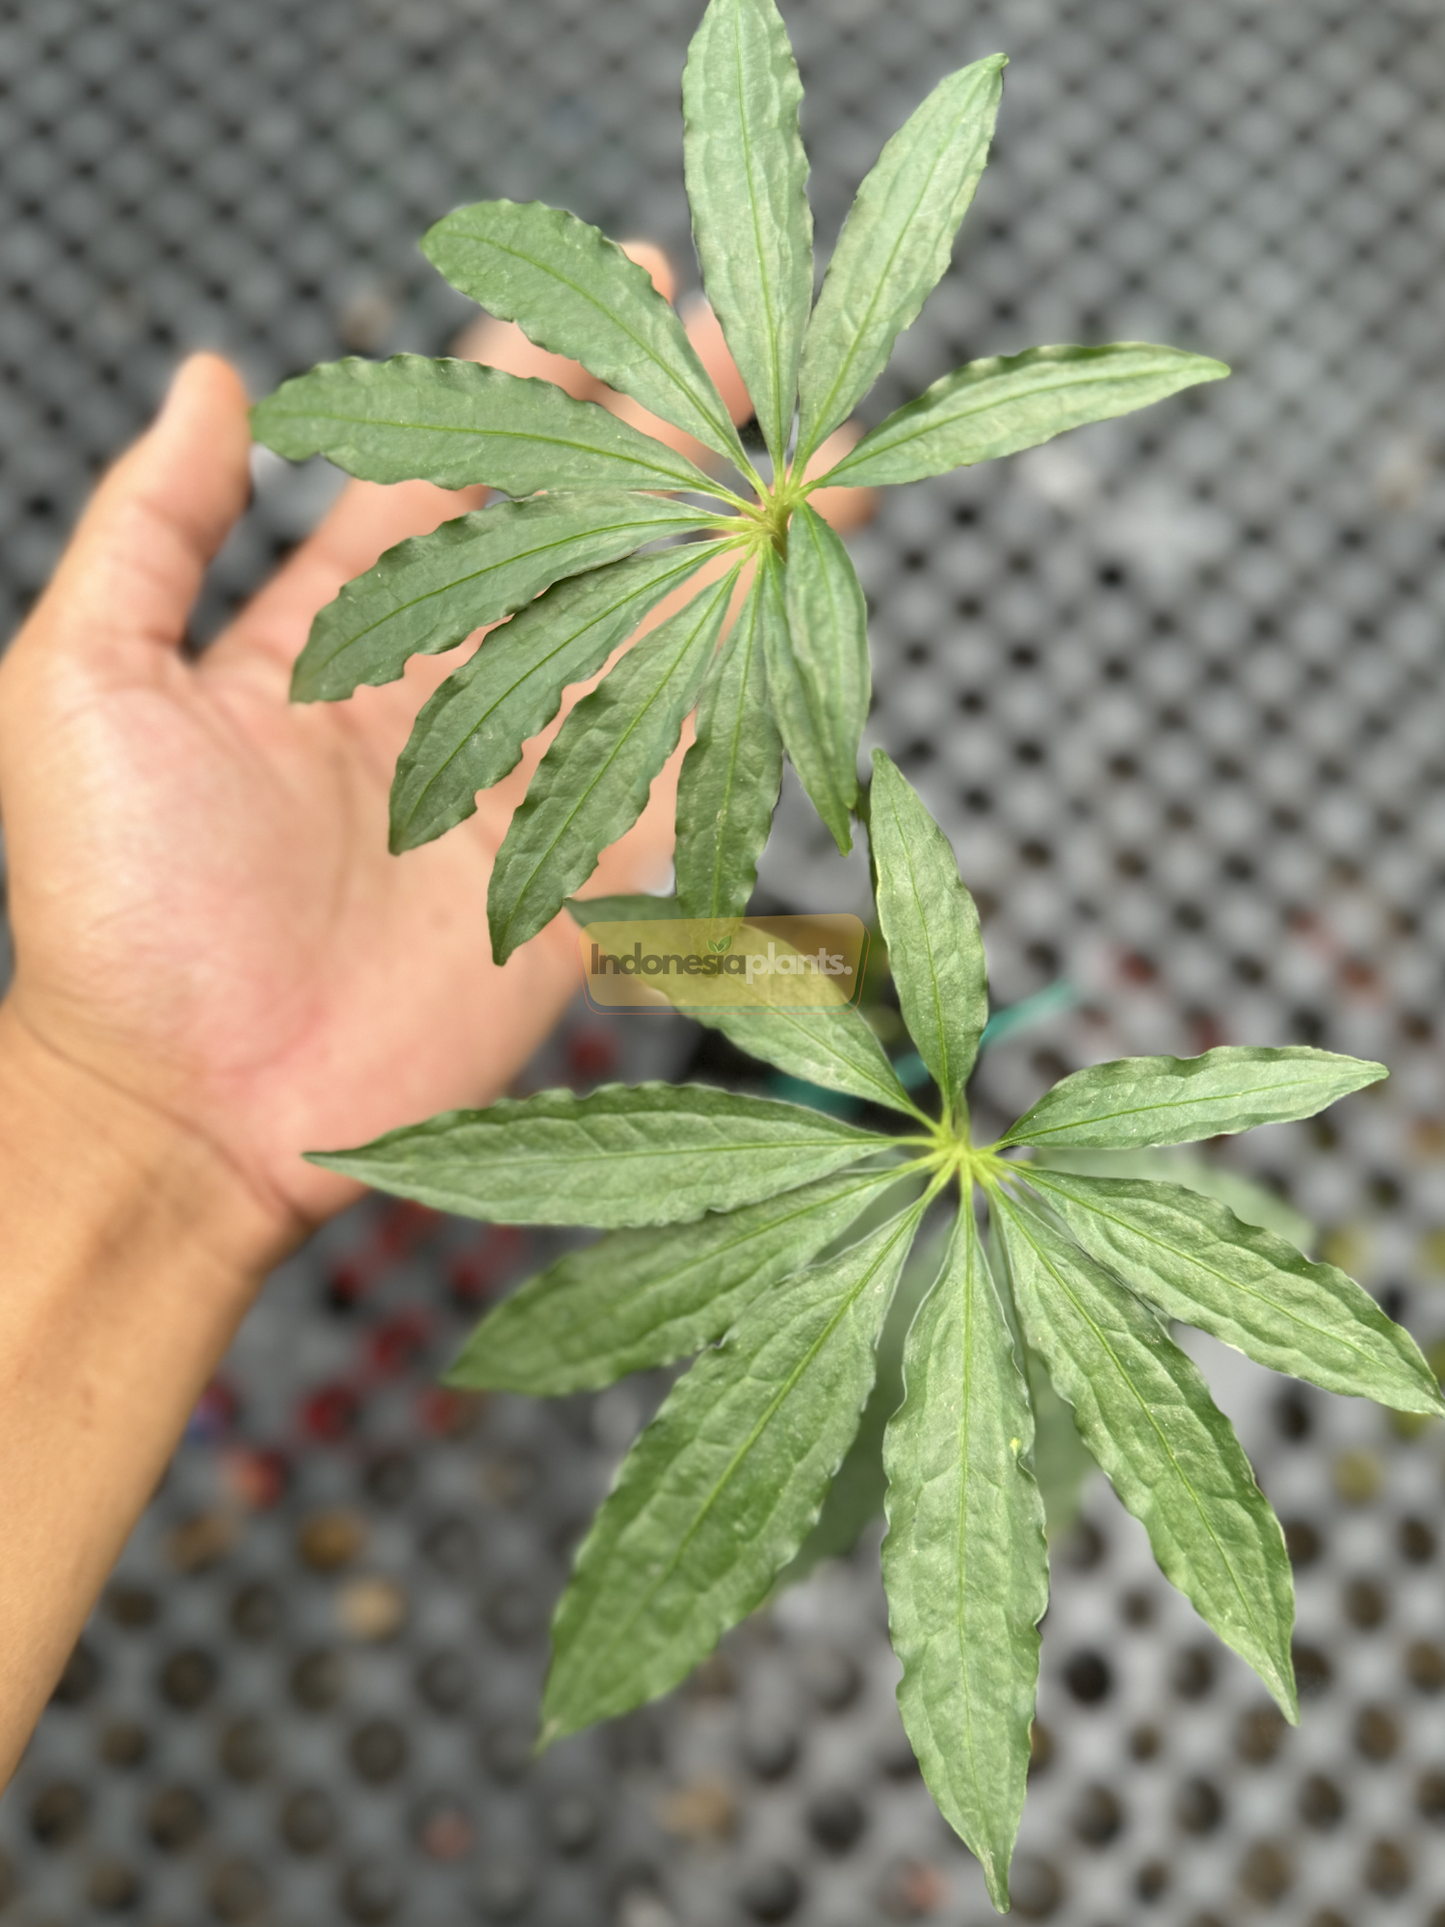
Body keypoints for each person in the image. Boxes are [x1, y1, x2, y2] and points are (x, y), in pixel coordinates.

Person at [0, 249, 872, 1782]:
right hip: (486, 972)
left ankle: (863, 1000)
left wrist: (122, 1110)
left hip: (549, 962)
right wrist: (128, 1097)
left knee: (748, 948)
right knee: (733, 950)